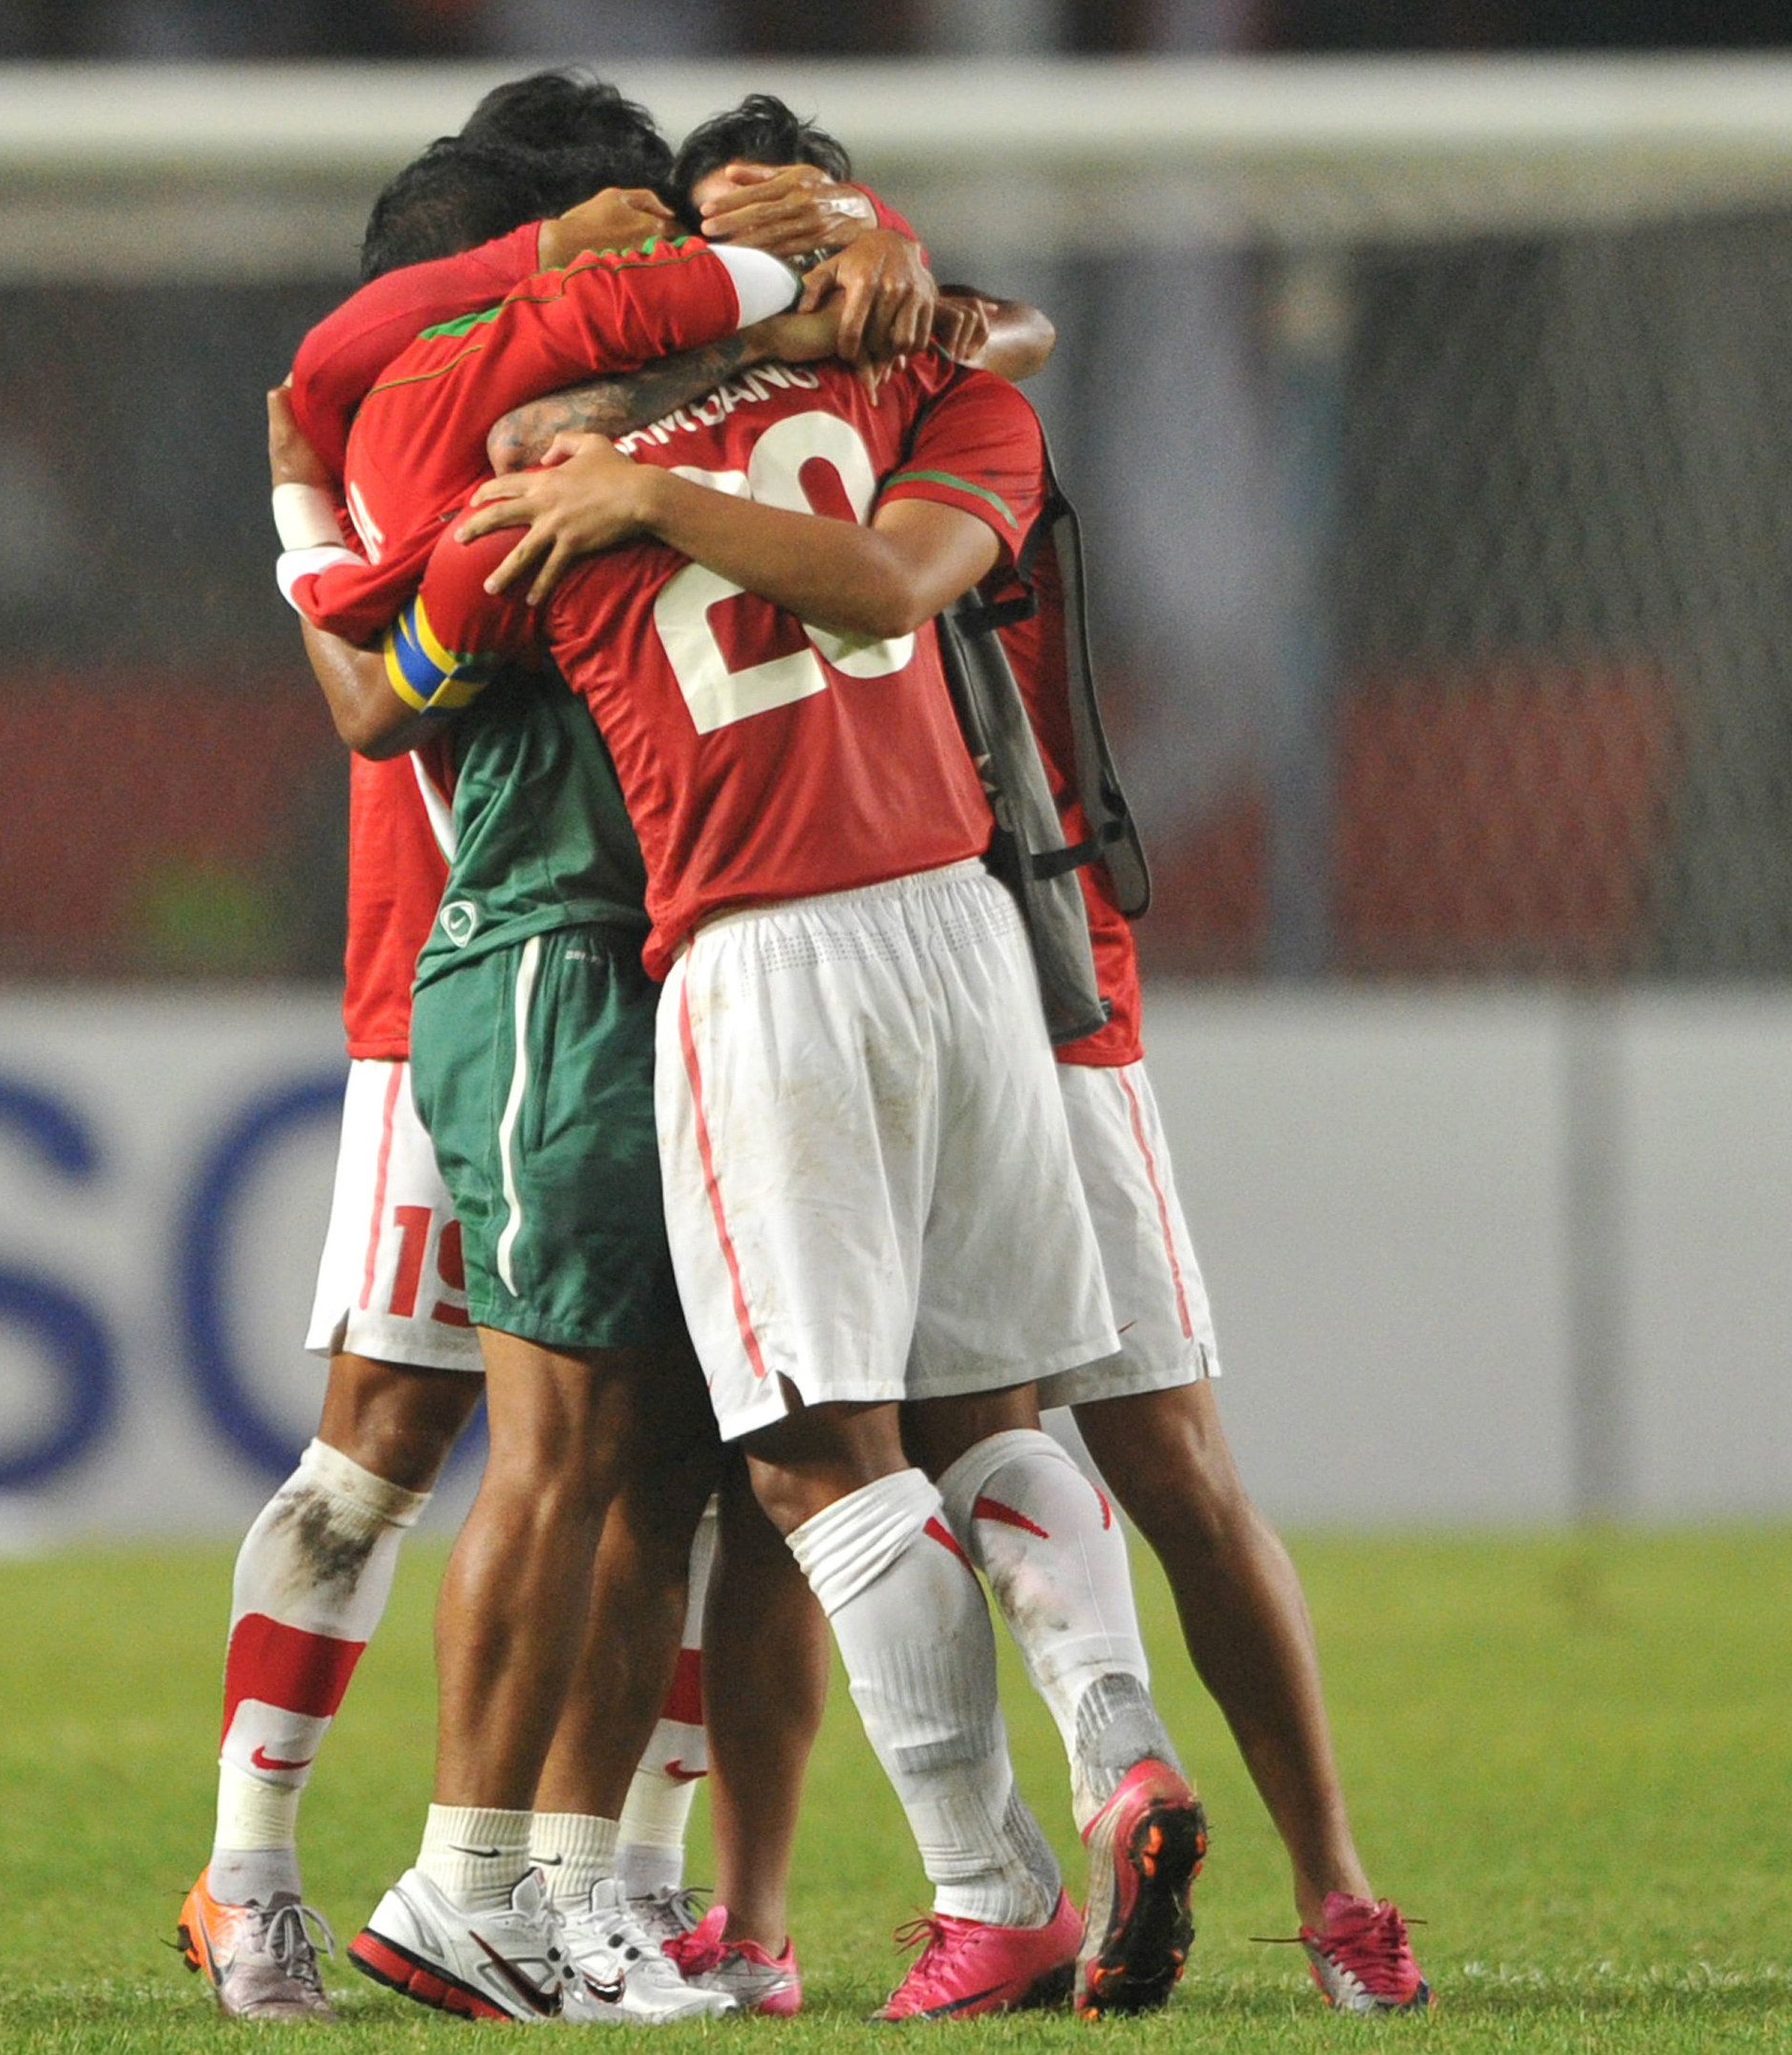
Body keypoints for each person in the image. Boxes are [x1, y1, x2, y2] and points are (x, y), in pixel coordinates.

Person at [460, 97, 1432, 2018]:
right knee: (1015, 1417)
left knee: (815, 1466)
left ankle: (989, 1884)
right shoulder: (931, 395)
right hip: (982, 926)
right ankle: (1127, 1758)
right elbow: (970, 370)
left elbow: (425, 570)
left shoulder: (556, 466)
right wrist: (848, 259)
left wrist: (606, 461)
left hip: (765, 951)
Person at [170, 75, 699, 2024]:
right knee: (385, 1443)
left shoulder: (600, 411)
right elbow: (334, 360)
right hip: (458, 978)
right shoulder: (444, 391)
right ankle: (251, 1868)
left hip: (666, 967)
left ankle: (625, 1888)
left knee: (682, 1453)